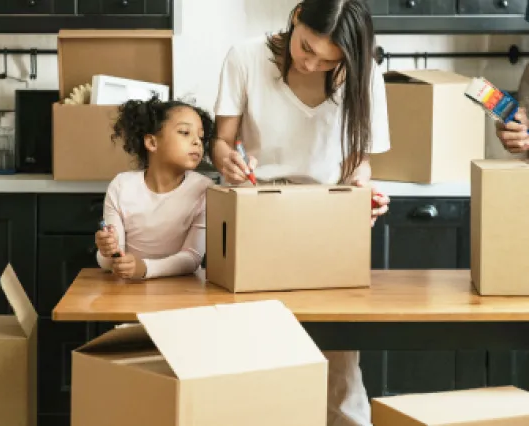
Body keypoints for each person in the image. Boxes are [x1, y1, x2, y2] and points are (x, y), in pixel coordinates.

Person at [209, 0, 391, 425]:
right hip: (257, 215)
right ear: (296, 19)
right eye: (306, 48)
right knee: (254, 348)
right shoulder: (245, 57)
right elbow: (222, 141)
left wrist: (362, 191)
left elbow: (360, 163)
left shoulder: (366, 76)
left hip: (326, 220)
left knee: (339, 357)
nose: (311, 64)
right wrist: (226, 161)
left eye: (328, 61)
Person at [95, 96, 215, 279]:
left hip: (184, 290)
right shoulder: (121, 186)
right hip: (127, 289)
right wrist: (107, 251)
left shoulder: (205, 190)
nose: (197, 142)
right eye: (184, 132)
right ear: (152, 142)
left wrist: (144, 268)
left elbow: (192, 258)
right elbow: (111, 262)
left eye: (200, 136)